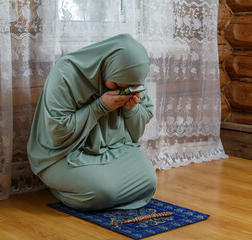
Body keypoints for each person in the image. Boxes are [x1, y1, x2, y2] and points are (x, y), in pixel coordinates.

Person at [27, 34, 157, 211]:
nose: (123, 90)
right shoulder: (66, 74)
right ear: (109, 66)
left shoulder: (132, 76)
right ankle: (63, 189)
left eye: (129, 87)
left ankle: (95, 187)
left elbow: (135, 132)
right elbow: (57, 133)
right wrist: (100, 106)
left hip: (114, 148)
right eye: (118, 84)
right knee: (103, 193)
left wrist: (131, 109)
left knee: (149, 182)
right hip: (65, 154)